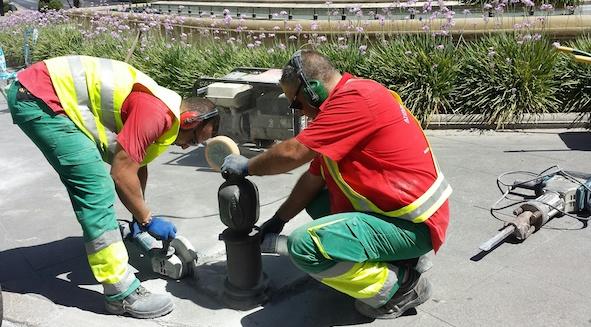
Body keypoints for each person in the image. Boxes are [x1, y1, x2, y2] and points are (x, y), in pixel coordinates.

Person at [221, 49, 452, 319]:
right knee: (318, 200)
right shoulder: (348, 100)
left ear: (313, 89)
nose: (300, 112)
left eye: (296, 103)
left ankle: (402, 287)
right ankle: (400, 259)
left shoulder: (354, 101)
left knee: (304, 245)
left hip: (414, 225)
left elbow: (292, 154)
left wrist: (248, 166)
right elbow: (313, 178)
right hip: (403, 215)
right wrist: (279, 219)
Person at [6, 55, 219, 319]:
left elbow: (137, 163)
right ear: (188, 121)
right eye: (194, 140)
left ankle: (121, 271)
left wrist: (138, 216)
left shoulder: (164, 109)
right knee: (95, 187)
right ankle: (120, 294)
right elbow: (121, 173)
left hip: (44, 92)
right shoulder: (157, 113)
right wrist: (147, 218)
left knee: (104, 180)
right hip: (40, 97)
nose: (188, 147)